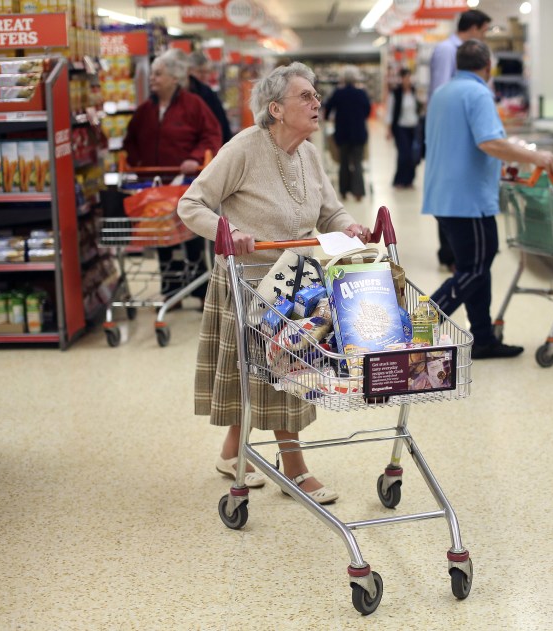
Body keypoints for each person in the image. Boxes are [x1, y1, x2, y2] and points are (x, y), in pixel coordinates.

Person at [177, 62, 371, 505]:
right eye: (306, 96)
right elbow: (191, 204)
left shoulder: (308, 153)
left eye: (316, 94)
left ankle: (232, 452)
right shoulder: (243, 149)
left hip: (297, 283)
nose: (317, 102)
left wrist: (351, 226)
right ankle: (296, 470)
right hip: (251, 283)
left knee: (260, 374)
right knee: (286, 374)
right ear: (276, 109)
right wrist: (228, 233)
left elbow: (329, 211)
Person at [422, 39, 553, 360]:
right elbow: (490, 143)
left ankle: (482, 338)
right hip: (469, 199)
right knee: (474, 269)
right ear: (488, 67)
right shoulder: (478, 92)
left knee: (477, 266)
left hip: (444, 195)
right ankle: (415, 327)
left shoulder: (442, 93)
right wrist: (534, 156)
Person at [123, 49, 222, 306]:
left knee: (191, 236)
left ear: (174, 78)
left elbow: (212, 135)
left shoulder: (194, 105)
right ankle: (171, 291)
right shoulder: (145, 110)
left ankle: (200, 293)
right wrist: (136, 164)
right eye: (153, 74)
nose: (152, 78)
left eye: (158, 74)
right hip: (156, 185)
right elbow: (130, 140)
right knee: (160, 236)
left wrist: (196, 156)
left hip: (186, 184)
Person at [428, 9, 493, 271]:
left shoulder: (470, 52)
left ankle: (458, 255)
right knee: (450, 191)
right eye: (485, 30)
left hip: (465, 129)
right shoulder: (447, 50)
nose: (486, 36)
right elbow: (441, 90)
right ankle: (451, 255)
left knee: (457, 192)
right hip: (453, 131)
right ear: (474, 27)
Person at [323, 66, 371, 202]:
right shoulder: (361, 93)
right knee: (357, 162)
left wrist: (329, 118)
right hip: (358, 134)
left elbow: (328, 108)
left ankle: (343, 191)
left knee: (343, 162)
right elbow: (367, 111)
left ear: (343, 78)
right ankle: (358, 193)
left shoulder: (338, 93)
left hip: (342, 134)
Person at [185, 50, 234, 146]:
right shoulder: (184, 93)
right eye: (200, 72)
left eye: (206, 72)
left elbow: (221, 124)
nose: (204, 76)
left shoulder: (208, 93)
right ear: (188, 71)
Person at [386, 68, 424, 189]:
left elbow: (419, 108)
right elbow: (390, 112)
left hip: (413, 127)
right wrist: (388, 129)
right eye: (405, 78)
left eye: (409, 77)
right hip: (400, 127)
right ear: (401, 79)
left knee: (413, 154)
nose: (407, 80)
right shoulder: (395, 93)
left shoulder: (414, 92)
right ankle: (399, 180)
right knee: (404, 154)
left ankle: (409, 180)